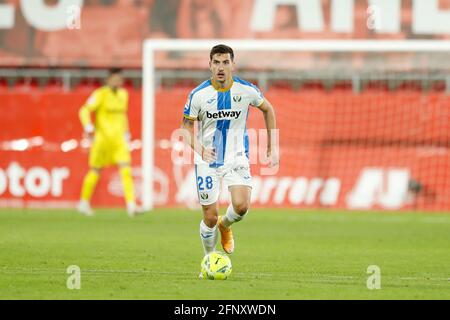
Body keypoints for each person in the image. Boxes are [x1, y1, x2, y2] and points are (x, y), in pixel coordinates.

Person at [181, 44, 279, 273]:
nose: (221, 67)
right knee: (210, 217)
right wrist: (200, 149)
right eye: (216, 62)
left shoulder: (247, 90)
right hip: (208, 160)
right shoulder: (198, 95)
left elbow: (268, 109)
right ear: (210, 65)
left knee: (242, 207)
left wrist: (272, 146)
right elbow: (185, 128)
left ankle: (227, 225)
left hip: (236, 157)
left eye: (225, 62)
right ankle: (209, 258)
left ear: (233, 64)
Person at [77, 68, 141, 217]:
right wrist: (88, 126)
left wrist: (126, 132)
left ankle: (131, 206)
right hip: (102, 140)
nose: (118, 82)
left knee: (126, 169)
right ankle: (83, 202)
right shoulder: (100, 94)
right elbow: (84, 110)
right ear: (108, 80)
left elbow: (122, 116)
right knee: (95, 170)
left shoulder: (123, 95)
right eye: (115, 79)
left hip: (119, 141)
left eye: (120, 79)